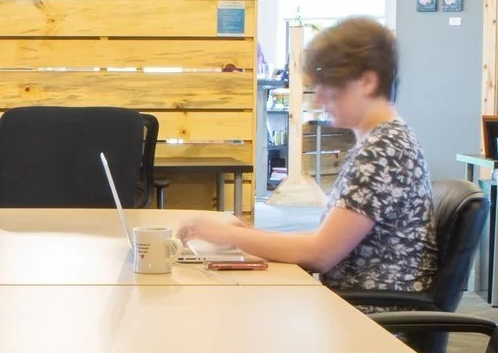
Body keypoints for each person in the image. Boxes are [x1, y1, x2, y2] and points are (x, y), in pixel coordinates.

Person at [175, 16, 432, 295]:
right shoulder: (382, 142)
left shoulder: (384, 151)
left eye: (330, 84)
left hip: (369, 318)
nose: (319, 97)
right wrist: (248, 234)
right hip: (356, 305)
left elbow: (321, 253)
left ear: (367, 81)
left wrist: (232, 236)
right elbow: (327, 240)